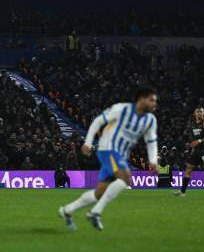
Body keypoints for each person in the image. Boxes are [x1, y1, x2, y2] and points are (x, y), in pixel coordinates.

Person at [59, 86, 159, 231]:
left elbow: (151, 141)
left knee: (99, 193)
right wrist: (88, 142)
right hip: (107, 148)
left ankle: (67, 210)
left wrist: (153, 161)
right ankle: (95, 212)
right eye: (151, 100)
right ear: (141, 99)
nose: (154, 103)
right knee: (125, 179)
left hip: (120, 154)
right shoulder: (121, 109)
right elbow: (98, 121)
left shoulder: (150, 120)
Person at [174, 107, 204, 197]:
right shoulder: (192, 124)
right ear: (194, 113)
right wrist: (190, 145)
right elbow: (191, 138)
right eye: (197, 111)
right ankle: (182, 192)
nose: (199, 113)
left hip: (203, 151)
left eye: (201, 111)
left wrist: (199, 141)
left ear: (203, 113)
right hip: (195, 151)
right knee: (188, 169)